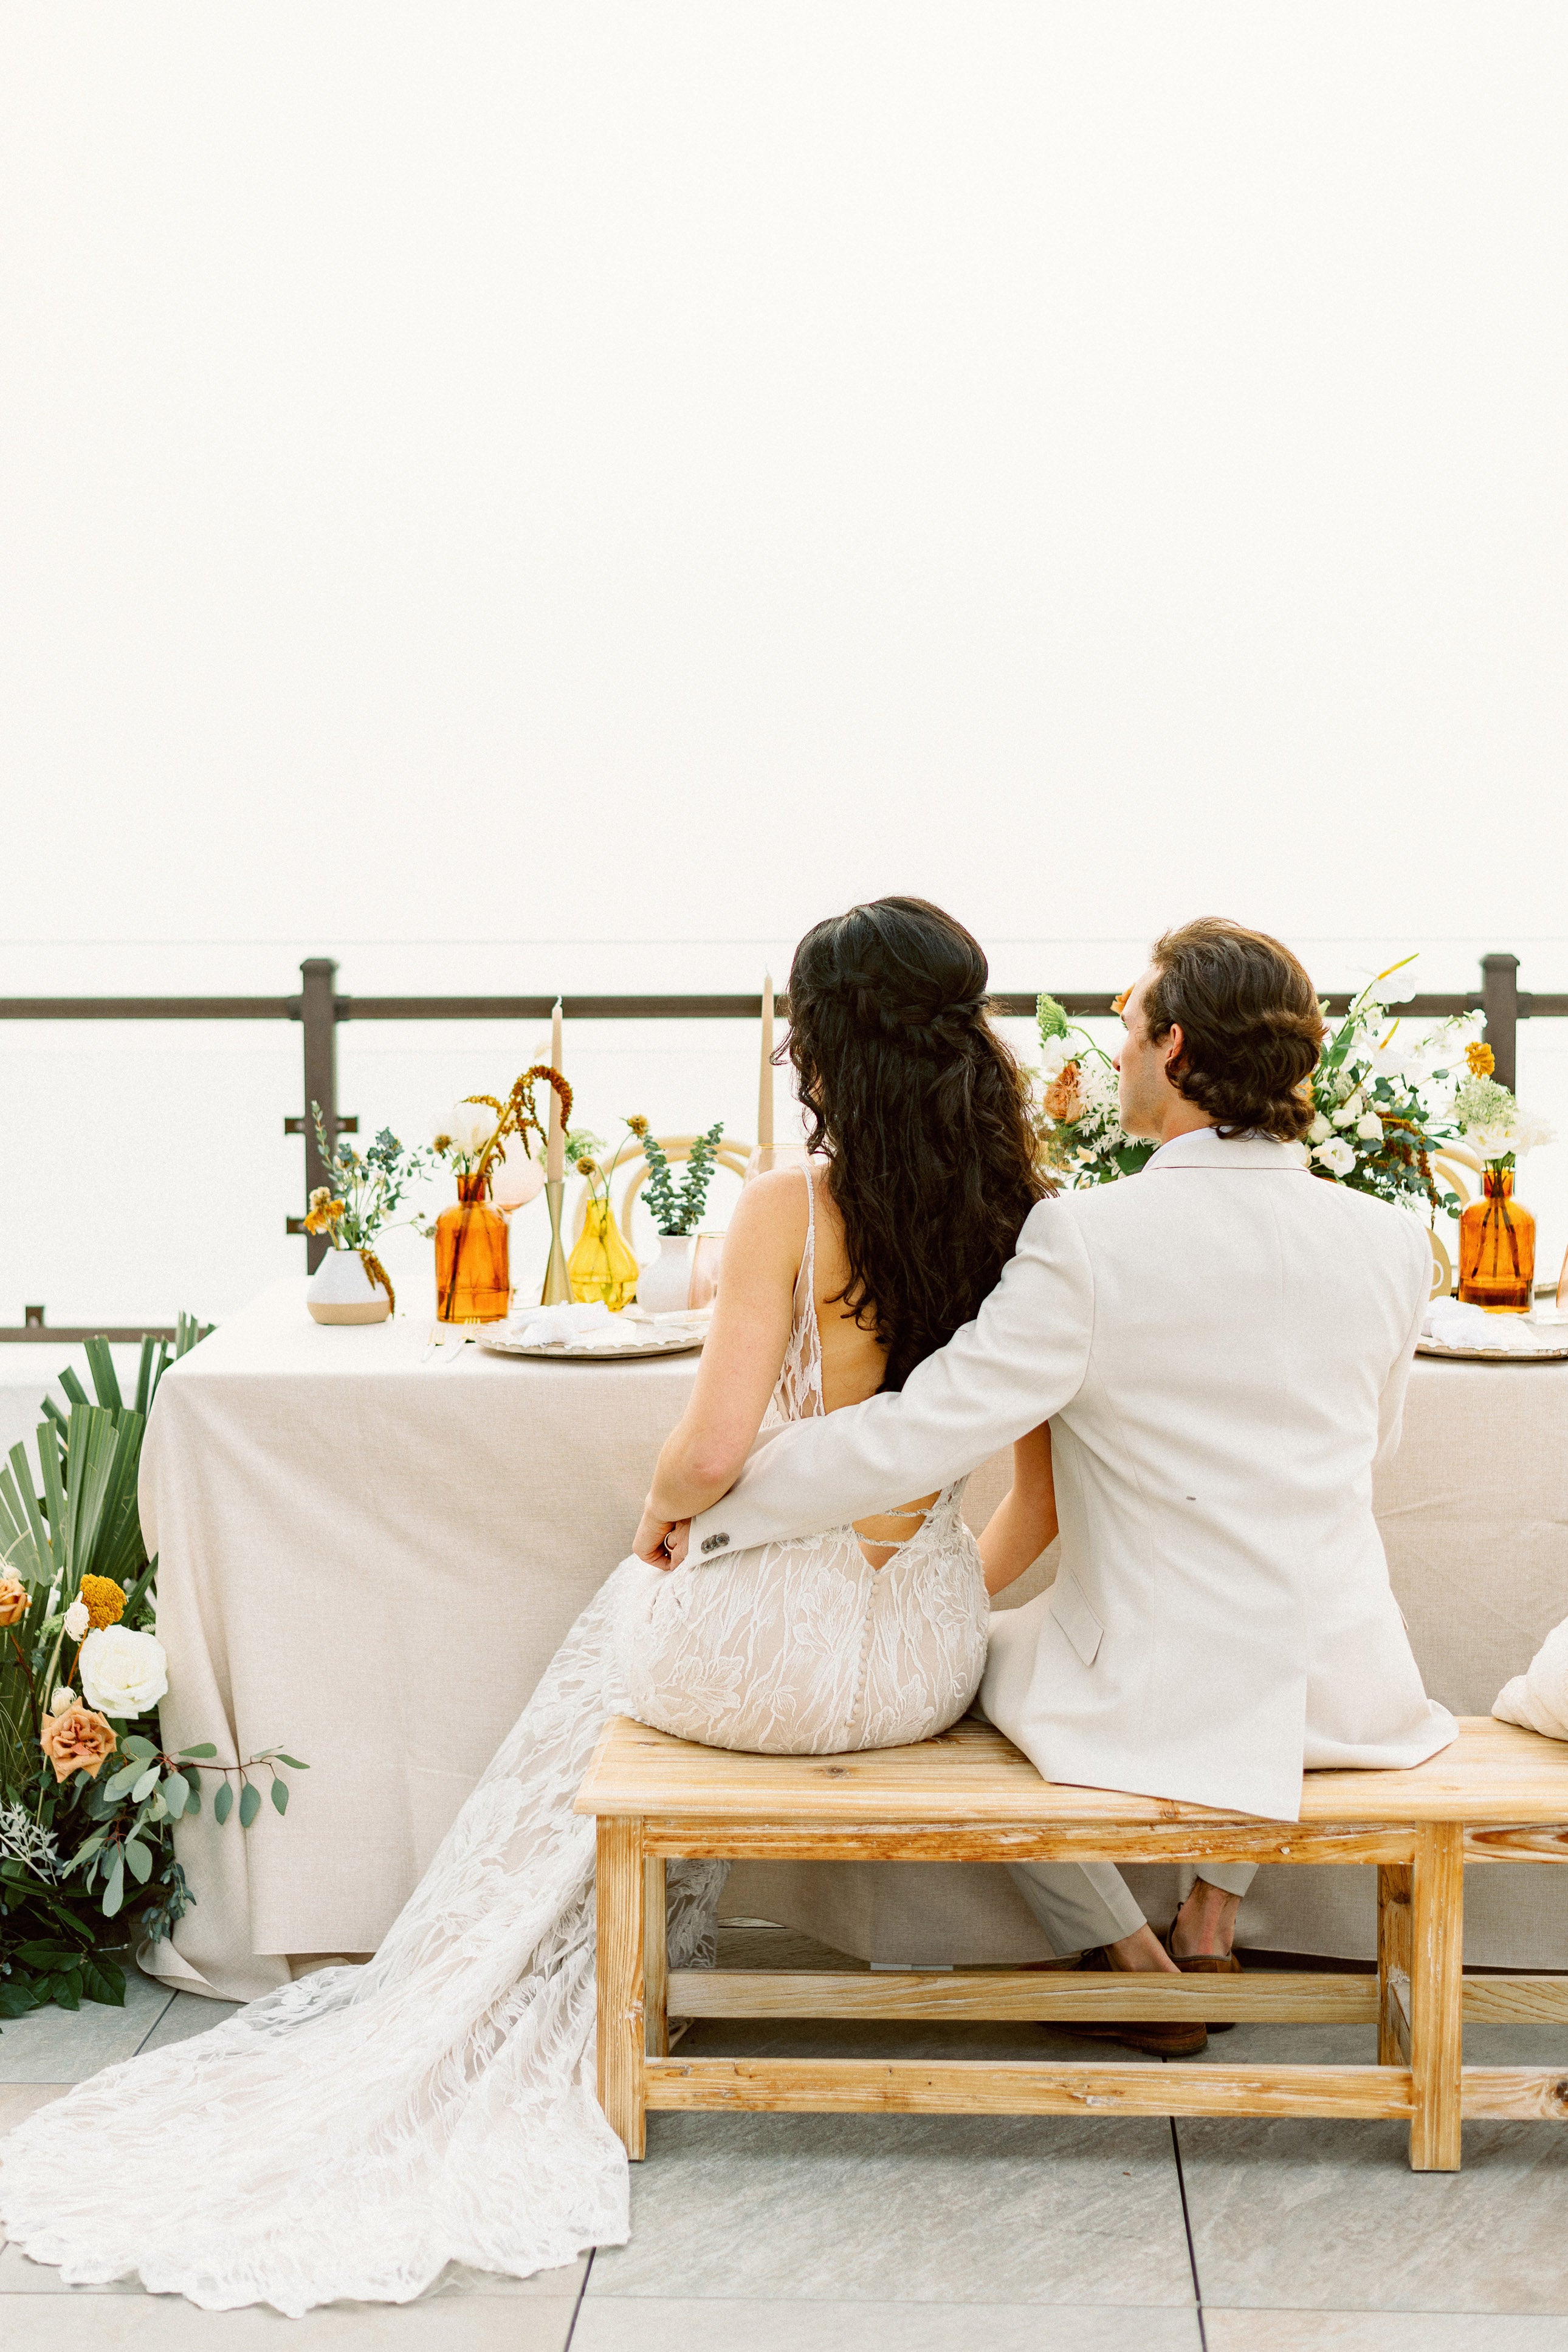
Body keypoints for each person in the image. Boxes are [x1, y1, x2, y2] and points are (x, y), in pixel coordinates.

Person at [0, 895, 1116, 2314]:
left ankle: (532, 1991)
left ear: (825, 1045)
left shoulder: (793, 1207)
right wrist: (928, 1589)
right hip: (923, 1660)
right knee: (665, 1616)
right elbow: (1044, 1507)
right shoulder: (1029, 1224)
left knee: (627, 1606)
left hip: (763, 1669)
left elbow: (713, 1455)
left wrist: (661, 1514)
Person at [661, 916, 1457, 2040]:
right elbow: (1368, 1452)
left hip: (1161, 1689)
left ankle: (1122, 1948)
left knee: (972, 1655)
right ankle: (1211, 1925)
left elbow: (917, 1433)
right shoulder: (1393, 1239)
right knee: (1236, 1636)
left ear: (1177, 1048)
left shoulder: (1090, 1239)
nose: (1115, 1052)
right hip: (1353, 1684)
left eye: (1128, 1029)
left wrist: (712, 1508)